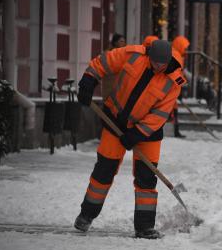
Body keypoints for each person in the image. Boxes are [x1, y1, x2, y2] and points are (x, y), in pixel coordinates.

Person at [74, 39, 186, 239]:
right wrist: (89, 81)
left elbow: (160, 115)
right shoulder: (133, 55)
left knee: (146, 179)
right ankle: (86, 215)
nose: (158, 67)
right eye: (155, 63)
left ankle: (144, 227)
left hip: (147, 133)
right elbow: (103, 62)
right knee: (104, 171)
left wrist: (136, 134)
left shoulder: (174, 81)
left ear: (168, 61)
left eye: (162, 64)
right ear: (149, 55)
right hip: (114, 120)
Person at [171, 35, 190, 138]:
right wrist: (181, 84)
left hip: (174, 88)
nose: (186, 50)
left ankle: (176, 131)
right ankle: (175, 131)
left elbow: (179, 74)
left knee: (174, 111)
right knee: (173, 111)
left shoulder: (178, 55)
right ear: (180, 45)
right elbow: (175, 74)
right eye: (185, 47)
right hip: (170, 89)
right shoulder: (175, 56)